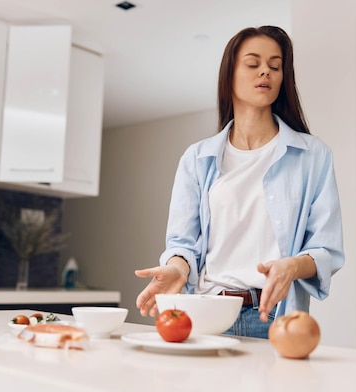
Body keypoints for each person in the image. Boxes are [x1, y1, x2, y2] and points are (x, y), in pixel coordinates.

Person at [134, 26, 345, 339]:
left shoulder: (312, 156)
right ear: (229, 75)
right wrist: (177, 268)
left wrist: (291, 267)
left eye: (275, 66)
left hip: (275, 318)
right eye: (253, 63)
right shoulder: (197, 158)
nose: (265, 71)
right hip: (205, 312)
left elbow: (326, 248)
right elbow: (182, 243)